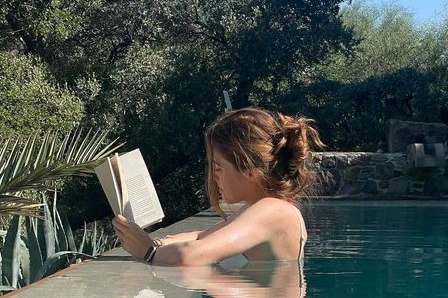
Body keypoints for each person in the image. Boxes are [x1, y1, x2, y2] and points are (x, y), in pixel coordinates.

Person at [112, 107, 324, 266]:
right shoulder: (264, 209)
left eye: (218, 167)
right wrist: (154, 242)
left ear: (249, 169)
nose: (213, 177)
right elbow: (199, 237)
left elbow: (188, 256)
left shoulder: (272, 210)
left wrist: (148, 252)